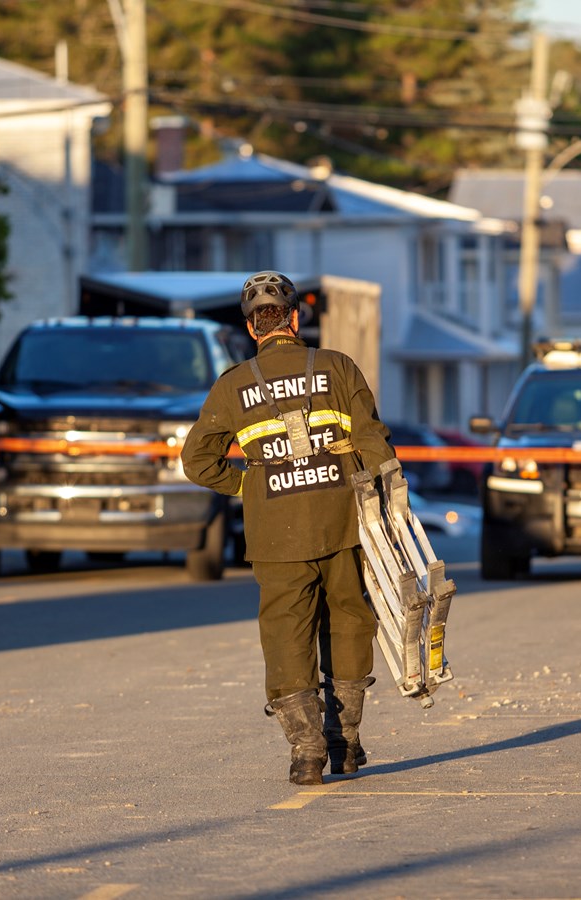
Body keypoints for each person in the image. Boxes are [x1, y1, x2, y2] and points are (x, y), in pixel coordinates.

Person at [181, 270, 396, 786]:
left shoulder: (233, 385)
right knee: (348, 619)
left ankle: (306, 754)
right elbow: (374, 445)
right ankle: (344, 743)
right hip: (343, 522)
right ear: (296, 319)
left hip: (275, 533)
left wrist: (246, 487)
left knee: (285, 633)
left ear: (253, 328)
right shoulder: (338, 367)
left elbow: (196, 461)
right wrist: (389, 509)